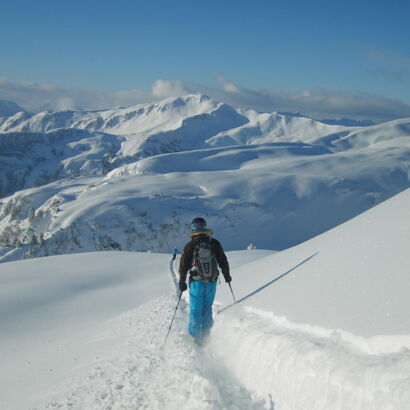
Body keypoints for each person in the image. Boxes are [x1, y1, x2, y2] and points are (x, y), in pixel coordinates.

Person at [179, 217, 231, 341]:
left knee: (196, 311)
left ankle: (195, 339)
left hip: (196, 283)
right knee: (207, 309)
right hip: (211, 282)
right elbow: (223, 260)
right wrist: (226, 275)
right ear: (205, 227)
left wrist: (181, 281)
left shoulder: (190, 245)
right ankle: (207, 337)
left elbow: (183, 265)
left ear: (193, 228)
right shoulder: (214, 243)